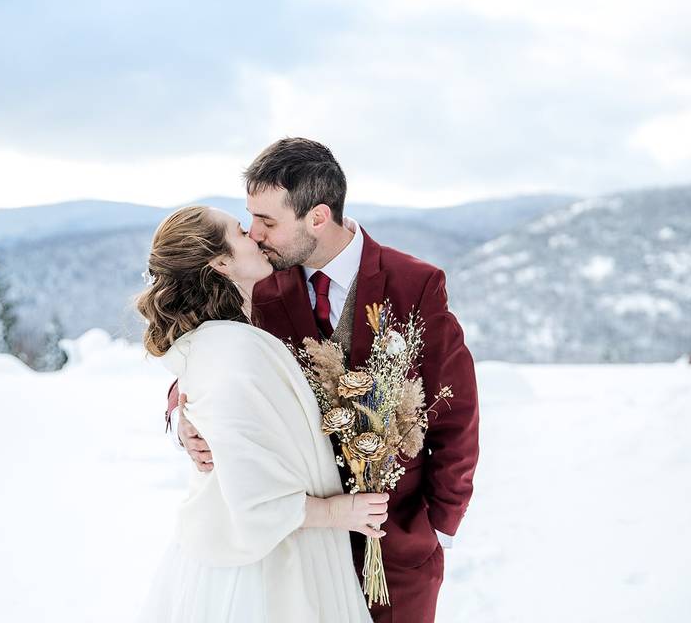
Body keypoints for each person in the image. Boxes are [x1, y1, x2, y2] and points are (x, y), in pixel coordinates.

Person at [166, 138, 480, 623]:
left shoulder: (415, 284)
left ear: (317, 217)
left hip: (393, 546)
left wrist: (435, 522)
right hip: (298, 547)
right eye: (249, 218)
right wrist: (183, 413)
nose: (255, 233)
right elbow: (211, 357)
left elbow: (455, 411)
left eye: (267, 221)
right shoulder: (253, 281)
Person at [135, 205, 382, 622]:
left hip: (270, 550)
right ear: (222, 263)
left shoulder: (227, 339)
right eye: (240, 229)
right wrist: (338, 512)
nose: (254, 233)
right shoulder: (230, 350)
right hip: (263, 571)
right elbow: (255, 500)